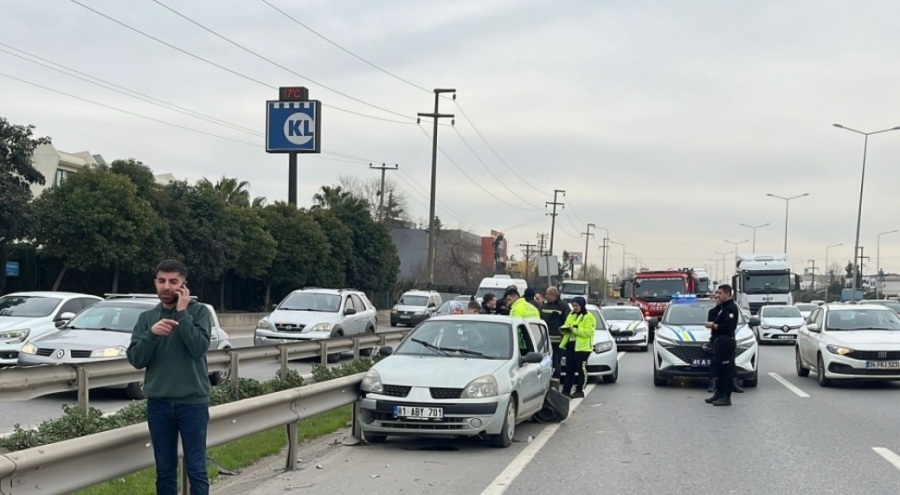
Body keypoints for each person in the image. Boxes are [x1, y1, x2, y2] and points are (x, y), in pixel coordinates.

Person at [127, 259, 212, 495]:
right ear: (155, 283)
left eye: (174, 282)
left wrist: (183, 313)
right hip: (159, 404)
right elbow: (136, 359)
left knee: (196, 468)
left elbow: (198, 348)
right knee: (164, 470)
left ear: (184, 285)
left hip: (193, 403)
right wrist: (152, 335)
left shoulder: (199, 312)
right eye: (162, 281)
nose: (167, 287)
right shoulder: (147, 318)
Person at [704, 284, 739, 406]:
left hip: (726, 342)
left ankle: (726, 396)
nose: (717, 295)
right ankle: (718, 393)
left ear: (727, 294)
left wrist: (713, 326)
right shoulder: (722, 308)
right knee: (718, 370)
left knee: (726, 371)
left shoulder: (731, 309)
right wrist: (718, 304)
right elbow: (712, 313)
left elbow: (728, 327)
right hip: (719, 341)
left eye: (720, 293)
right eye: (717, 293)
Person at [560, 296, 595, 398]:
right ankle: (566, 390)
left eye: (576, 305)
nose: (575, 308)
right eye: (573, 305)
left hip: (583, 348)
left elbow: (588, 332)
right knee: (569, 369)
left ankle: (580, 390)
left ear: (582, 305)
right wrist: (564, 329)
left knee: (581, 369)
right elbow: (566, 325)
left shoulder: (589, 317)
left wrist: (574, 330)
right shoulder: (571, 315)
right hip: (571, 345)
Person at [540, 287, 570, 379]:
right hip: (545, 340)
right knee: (545, 360)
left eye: (547, 294)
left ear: (553, 295)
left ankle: (556, 379)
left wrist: (563, 336)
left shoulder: (563, 306)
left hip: (558, 341)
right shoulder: (544, 306)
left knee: (556, 360)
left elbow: (567, 323)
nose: (545, 296)